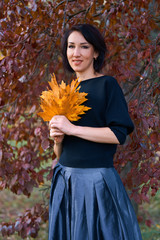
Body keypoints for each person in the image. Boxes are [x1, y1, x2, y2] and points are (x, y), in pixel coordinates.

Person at [48, 24, 142, 240]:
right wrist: (58, 140)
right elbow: (61, 155)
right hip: (66, 181)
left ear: (96, 52)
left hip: (96, 182)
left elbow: (119, 135)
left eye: (84, 46)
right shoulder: (65, 91)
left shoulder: (107, 85)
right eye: (71, 47)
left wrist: (72, 128)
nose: (76, 53)